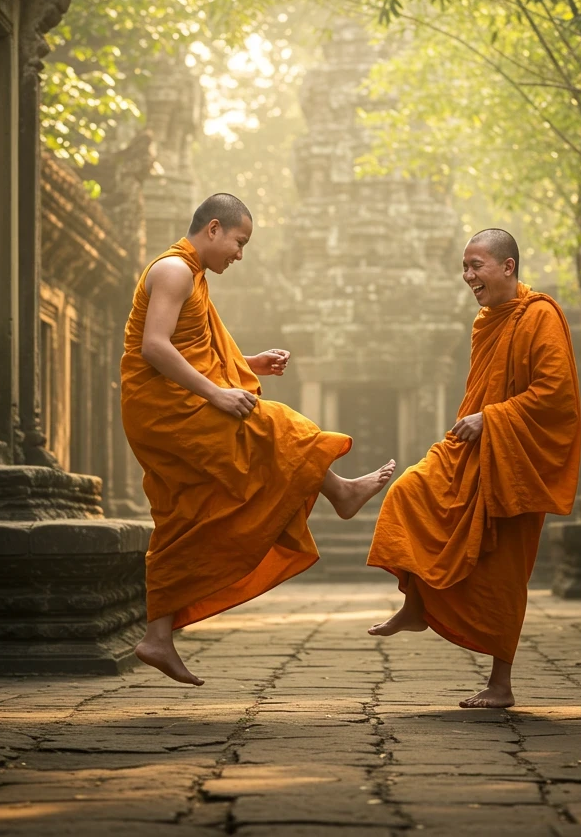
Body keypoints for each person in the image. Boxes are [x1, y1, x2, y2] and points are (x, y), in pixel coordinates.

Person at [122, 193, 395, 684]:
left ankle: (157, 637)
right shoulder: (174, 271)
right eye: (239, 241)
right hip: (164, 410)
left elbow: (192, 347)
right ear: (213, 228)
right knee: (276, 425)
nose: (240, 254)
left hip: (174, 403)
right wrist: (217, 394)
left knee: (187, 513)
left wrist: (247, 364)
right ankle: (340, 491)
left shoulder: (193, 275)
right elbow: (155, 347)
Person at [367, 228, 581, 708]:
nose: (468, 276)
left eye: (476, 266)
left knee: (504, 570)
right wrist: (478, 422)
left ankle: (500, 685)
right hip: (474, 447)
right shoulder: (486, 322)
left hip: (518, 455)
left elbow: (556, 393)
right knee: (409, 491)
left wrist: (492, 419)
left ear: (508, 266)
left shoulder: (539, 315)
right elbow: (481, 389)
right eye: (464, 267)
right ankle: (416, 606)